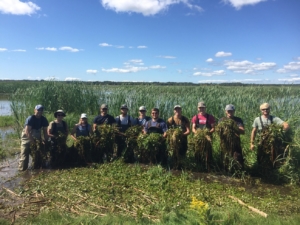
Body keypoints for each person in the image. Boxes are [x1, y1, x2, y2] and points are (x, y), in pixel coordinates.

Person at [250, 103, 289, 167]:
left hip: (272, 143)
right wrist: (252, 143)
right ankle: (261, 170)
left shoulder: (274, 118)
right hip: (261, 142)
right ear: (261, 110)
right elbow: (253, 131)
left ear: (269, 109)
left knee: (273, 157)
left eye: (267, 109)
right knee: (261, 157)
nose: (265, 110)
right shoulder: (257, 119)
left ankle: (273, 170)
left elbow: (285, 124)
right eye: (263, 109)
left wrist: (283, 131)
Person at [18, 104, 49, 171]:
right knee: (24, 156)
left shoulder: (43, 119)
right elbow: (27, 131)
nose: (39, 112)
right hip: (26, 138)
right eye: (38, 110)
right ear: (34, 110)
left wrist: (45, 141)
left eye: (41, 110)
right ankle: (22, 171)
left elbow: (45, 132)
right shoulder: (31, 118)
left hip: (36, 138)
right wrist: (33, 141)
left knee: (38, 155)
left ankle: (36, 170)